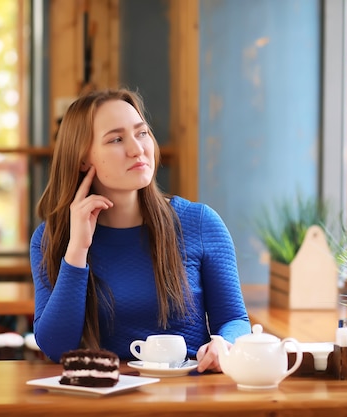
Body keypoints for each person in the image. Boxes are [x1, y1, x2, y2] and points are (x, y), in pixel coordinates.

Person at [30, 88, 250, 373]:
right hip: (107, 396)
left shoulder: (200, 222)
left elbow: (235, 319)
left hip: (189, 394)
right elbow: (56, 348)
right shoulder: (52, 238)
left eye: (142, 133)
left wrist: (225, 342)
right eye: (117, 139)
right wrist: (78, 250)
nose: (137, 149)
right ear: (83, 158)